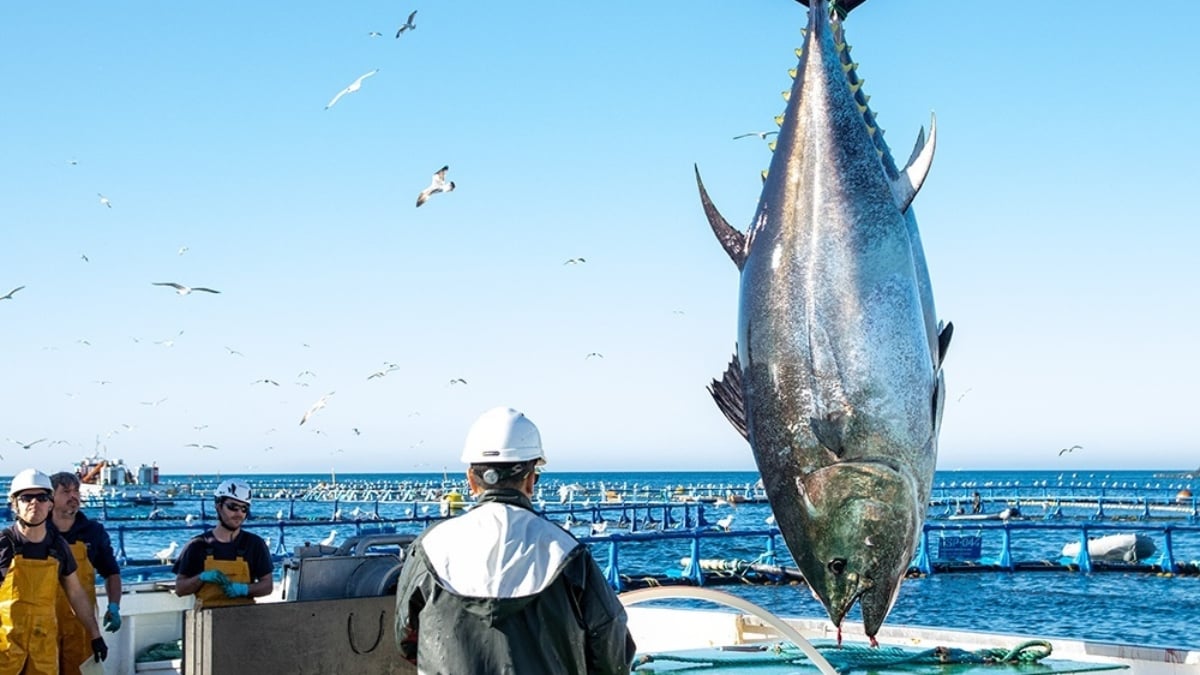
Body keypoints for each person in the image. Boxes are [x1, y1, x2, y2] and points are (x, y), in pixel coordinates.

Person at [395, 406, 637, 674]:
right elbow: (610, 642)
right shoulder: (567, 552)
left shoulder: (430, 547)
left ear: (471, 482)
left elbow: (406, 637)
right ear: (531, 480)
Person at [0, 469, 108, 673]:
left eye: (41, 497)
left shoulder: (58, 547)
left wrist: (95, 635)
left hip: (43, 647)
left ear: (50, 504)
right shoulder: (5, 544)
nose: (34, 503)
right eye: (26, 498)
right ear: (15, 505)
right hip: (5, 647)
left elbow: (76, 594)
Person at [48, 471, 123, 675]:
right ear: (50, 497)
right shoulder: (38, 532)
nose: (74, 496)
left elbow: (112, 573)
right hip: (43, 625)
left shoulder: (93, 532)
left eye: (76, 491)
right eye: (65, 492)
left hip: (82, 626)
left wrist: (114, 606)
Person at [172, 478, 273, 609]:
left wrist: (243, 589)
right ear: (218, 506)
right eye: (233, 507)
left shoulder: (255, 544)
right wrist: (201, 578)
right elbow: (180, 588)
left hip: (245, 619)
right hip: (206, 620)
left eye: (244, 509)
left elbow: (267, 586)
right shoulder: (197, 545)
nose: (239, 513)